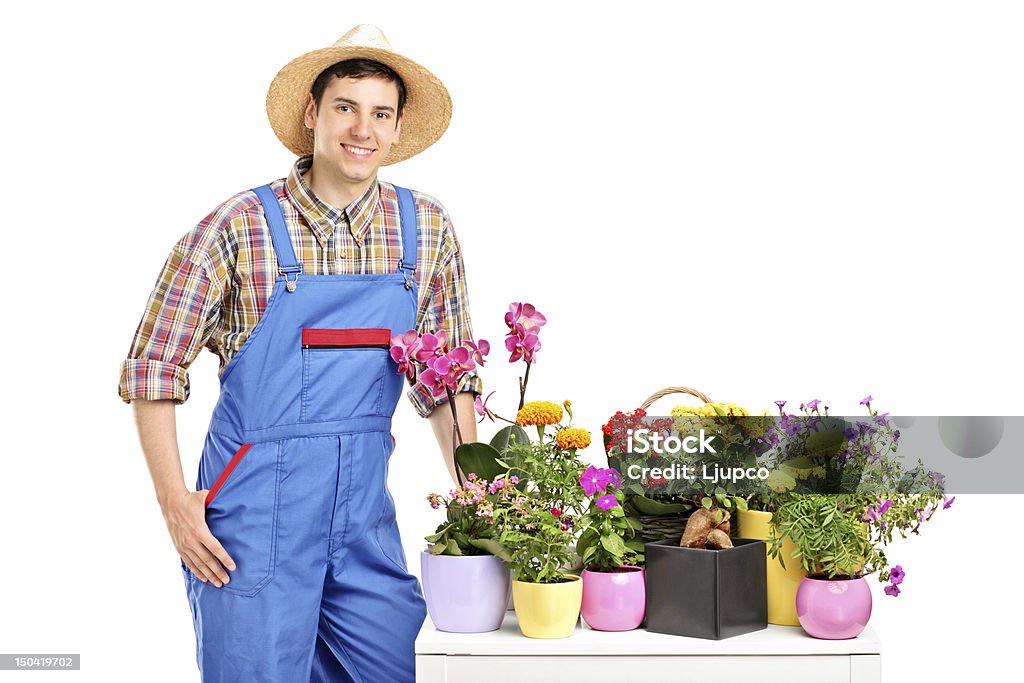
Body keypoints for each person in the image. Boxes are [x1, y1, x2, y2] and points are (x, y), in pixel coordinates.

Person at [117, 25, 480, 682]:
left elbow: (446, 379)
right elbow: (152, 368)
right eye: (345, 106)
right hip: (254, 524)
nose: (361, 129)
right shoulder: (239, 227)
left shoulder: (426, 229)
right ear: (313, 113)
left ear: (396, 129)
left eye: (380, 113)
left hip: (366, 520)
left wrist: (483, 507)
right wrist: (175, 503)